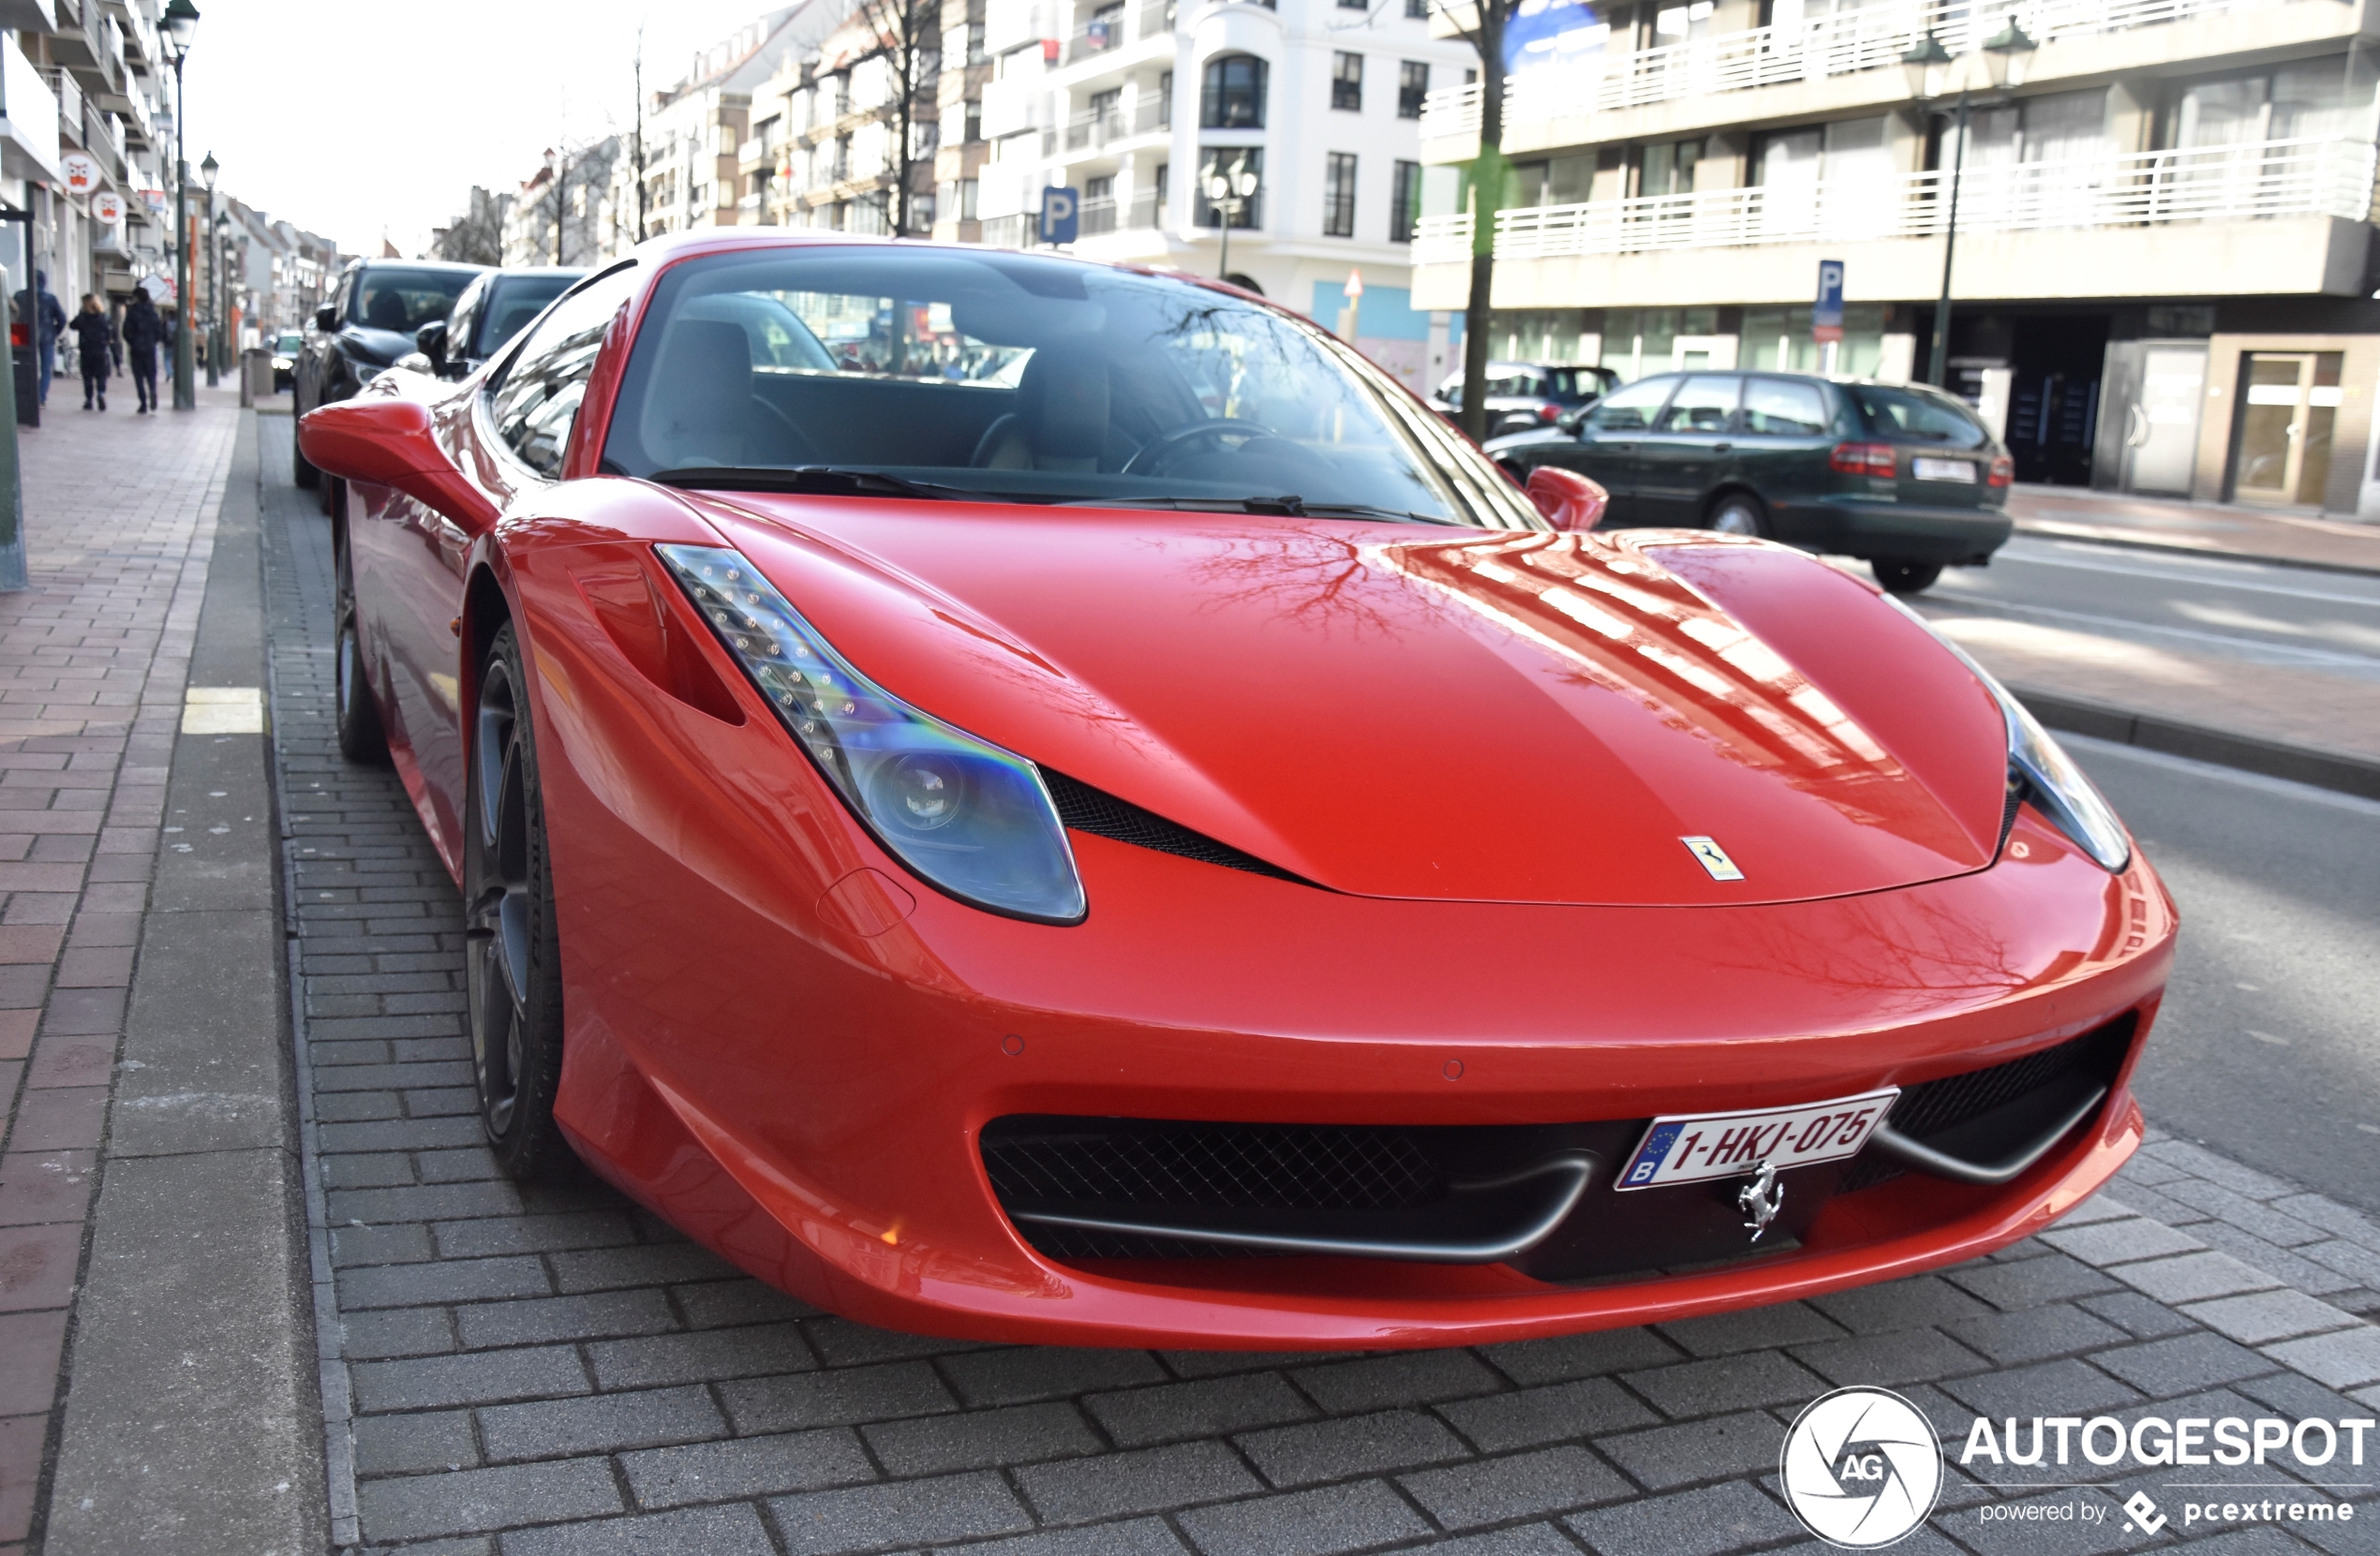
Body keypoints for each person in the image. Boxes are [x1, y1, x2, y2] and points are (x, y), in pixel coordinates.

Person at [11, 270, 67, 407]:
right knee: (46, 368)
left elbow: (14, 316)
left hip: (22, 335)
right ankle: (41, 397)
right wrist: (54, 332)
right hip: (46, 336)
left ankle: (24, 395)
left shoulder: (19, 296)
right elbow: (62, 318)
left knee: (23, 365)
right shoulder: (50, 298)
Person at [67, 295, 115, 411]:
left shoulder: (82, 317)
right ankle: (101, 393)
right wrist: (108, 340)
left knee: (87, 375)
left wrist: (80, 314)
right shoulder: (104, 317)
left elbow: (72, 325)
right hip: (100, 349)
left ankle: (89, 400)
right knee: (101, 375)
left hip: (86, 349)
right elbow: (110, 332)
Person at [122, 289, 164, 414]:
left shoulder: (133, 313)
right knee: (151, 374)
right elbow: (159, 332)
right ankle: (152, 389)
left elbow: (126, 331)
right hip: (150, 348)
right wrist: (152, 341)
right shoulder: (153, 313)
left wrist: (133, 342)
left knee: (138, 376)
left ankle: (143, 403)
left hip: (136, 349)